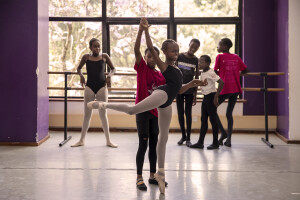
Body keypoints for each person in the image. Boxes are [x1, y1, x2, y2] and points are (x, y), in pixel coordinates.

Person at [87, 18, 207, 194]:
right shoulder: (162, 66)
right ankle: (102, 104)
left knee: (162, 140)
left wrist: (192, 84)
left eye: (177, 50)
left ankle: (158, 174)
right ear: (164, 52)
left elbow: (178, 90)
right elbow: (149, 48)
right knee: (132, 111)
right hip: (158, 98)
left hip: (164, 105)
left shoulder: (170, 72)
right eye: (173, 50)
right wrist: (144, 31)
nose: (176, 52)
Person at [133, 23, 166, 191]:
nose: (152, 59)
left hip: (155, 114)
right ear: (145, 58)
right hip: (142, 112)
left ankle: (153, 175)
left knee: (154, 144)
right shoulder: (142, 69)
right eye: (149, 56)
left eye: (154, 56)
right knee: (143, 143)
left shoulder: (161, 75)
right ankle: (139, 177)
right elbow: (136, 49)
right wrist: (141, 30)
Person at [71, 38, 117, 148]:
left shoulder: (104, 56)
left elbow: (113, 69)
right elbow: (79, 69)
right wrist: (81, 76)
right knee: (87, 114)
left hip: (102, 87)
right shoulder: (86, 57)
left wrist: (109, 76)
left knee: (103, 115)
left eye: (98, 46)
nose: (97, 48)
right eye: (95, 46)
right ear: (90, 47)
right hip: (89, 87)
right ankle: (81, 140)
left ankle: (108, 141)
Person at [214, 38, 248, 147]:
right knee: (229, 114)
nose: (217, 47)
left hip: (225, 89)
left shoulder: (219, 57)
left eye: (219, 45)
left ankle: (223, 133)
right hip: (235, 89)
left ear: (224, 46)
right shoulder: (236, 57)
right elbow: (245, 70)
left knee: (211, 109)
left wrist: (222, 74)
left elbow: (214, 71)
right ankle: (228, 140)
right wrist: (236, 74)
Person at [190, 55, 224, 150]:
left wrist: (216, 96)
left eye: (201, 62)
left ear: (208, 63)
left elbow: (221, 82)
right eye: (199, 62)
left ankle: (215, 143)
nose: (199, 63)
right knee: (203, 120)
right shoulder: (203, 72)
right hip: (206, 98)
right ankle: (200, 143)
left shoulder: (211, 72)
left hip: (211, 97)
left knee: (213, 121)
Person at [176, 38, 200, 147]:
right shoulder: (179, 56)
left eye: (196, 48)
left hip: (190, 91)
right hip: (179, 90)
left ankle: (189, 138)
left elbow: (196, 77)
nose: (193, 49)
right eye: (192, 46)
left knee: (188, 114)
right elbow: (174, 71)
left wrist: (195, 94)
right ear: (189, 44)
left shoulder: (196, 60)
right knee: (180, 114)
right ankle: (183, 136)